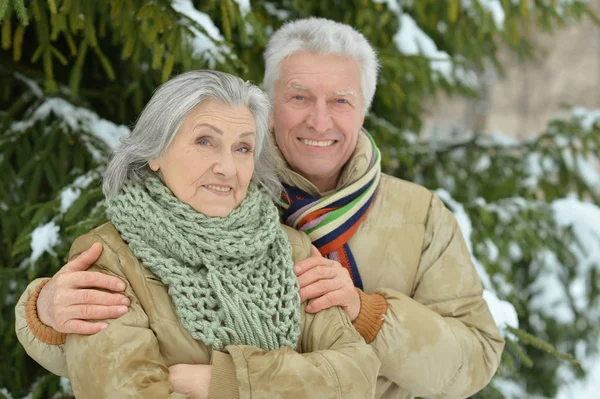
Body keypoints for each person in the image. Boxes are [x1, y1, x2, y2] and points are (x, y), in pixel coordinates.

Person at [16, 18, 505, 399]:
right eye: (298, 97)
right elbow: (108, 362)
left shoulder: (415, 216)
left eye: (341, 100)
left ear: (364, 109)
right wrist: (41, 314)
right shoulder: (145, 235)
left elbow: (467, 361)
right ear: (270, 105)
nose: (320, 118)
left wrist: (368, 313)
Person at [16, 70, 380, 398]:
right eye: (205, 141)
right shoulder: (108, 257)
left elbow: (357, 374)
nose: (226, 167)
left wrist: (228, 382)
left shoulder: (290, 247)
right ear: (155, 151)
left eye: (242, 148)